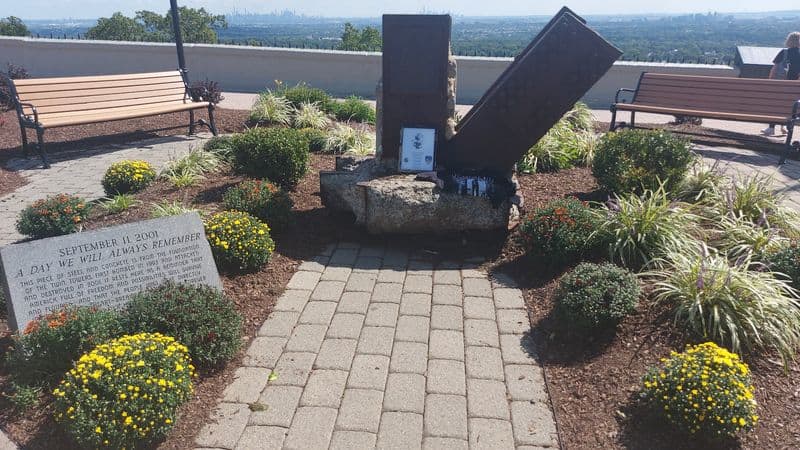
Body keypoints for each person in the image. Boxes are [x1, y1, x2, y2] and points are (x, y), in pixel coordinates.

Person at [762, 32, 800, 136]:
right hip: (794, 86)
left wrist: (770, 81)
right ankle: (785, 127)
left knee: (775, 104)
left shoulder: (784, 52)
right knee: (789, 105)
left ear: (789, 41)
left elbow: (774, 69)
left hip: (780, 84)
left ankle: (771, 128)